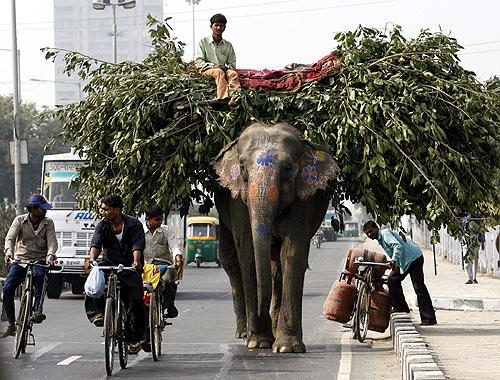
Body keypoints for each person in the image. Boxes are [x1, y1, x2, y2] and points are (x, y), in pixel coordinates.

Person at [85, 195, 146, 354]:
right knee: (93, 285)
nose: (102, 212)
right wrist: (92, 260)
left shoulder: (134, 224)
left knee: (136, 300)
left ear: (117, 210)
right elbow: (96, 243)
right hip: (108, 262)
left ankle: (135, 337)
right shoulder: (102, 225)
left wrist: (136, 262)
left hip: (129, 265)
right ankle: (97, 313)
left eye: (106, 209)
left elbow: (137, 246)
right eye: (102, 209)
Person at [1, 195, 58, 338]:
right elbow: (10, 238)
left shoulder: (48, 223)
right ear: (33, 209)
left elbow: (52, 242)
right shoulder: (19, 221)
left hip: (40, 259)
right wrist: (9, 253)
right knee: (7, 289)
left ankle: (36, 310)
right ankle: (11, 323)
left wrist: (50, 255)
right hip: (20, 259)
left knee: (39, 276)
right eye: (42, 209)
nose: (45, 211)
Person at [363, 220, 437, 326]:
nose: (370, 234)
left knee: (418, 287)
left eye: (371, 231)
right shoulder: (381, 238)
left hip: (413, 258)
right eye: (367, 234)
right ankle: (402, 308)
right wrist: (392, 261)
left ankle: (428, 319)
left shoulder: (385, 233)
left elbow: (397, 246)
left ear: (376, 228)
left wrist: (394, 260)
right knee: (393, 279)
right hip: (406, 260)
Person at [143, 205, 183, 319]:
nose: (160, 222)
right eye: (157, 219)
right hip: (145, 265)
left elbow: (174, 246)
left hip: (164, 264)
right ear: (148, 219)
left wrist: (178, 258)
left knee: (170, 280)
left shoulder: (166, 230)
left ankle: (170, 306)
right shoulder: (140, 231)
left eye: (161, 219)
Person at [195, 13, 240, 108]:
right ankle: (223, 98)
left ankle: (235, 97)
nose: (219, 28)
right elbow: (198, 62)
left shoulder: (228, 45)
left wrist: (226, 67)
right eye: (216, 25)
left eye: (221, 25)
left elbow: (232, 64)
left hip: (223, 70)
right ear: (211, 26)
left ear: (225, 27)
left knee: (233, 74)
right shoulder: (203, 42)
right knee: (218, 72)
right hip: (207, 70)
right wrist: (214, 66)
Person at [460, 216, 486, 284]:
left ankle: (474, 278)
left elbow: (482, 230)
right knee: (467, 259)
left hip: (475, 241)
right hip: (466, 241)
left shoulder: (477, 216)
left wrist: (482, 242)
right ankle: (470, 278)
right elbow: (461, 229)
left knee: (475, 259)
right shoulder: (463, 217)